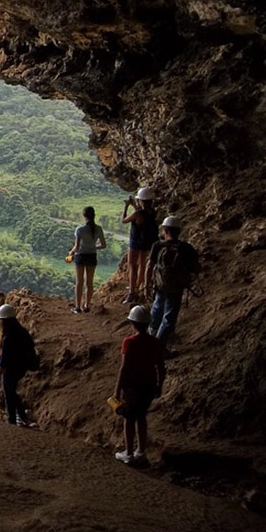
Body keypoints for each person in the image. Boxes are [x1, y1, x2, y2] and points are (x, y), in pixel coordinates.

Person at [113, 305, 165, 465]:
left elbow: (124, 368)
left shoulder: (129, 342)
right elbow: (161, 367)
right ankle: (141, 451)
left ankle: (128, 453)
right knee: (141, 417)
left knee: (129, 418)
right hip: (149, 386)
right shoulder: (155, 342)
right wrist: (159, 386)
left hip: (132, 387)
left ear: (133, 323)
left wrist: (117, 390)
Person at [145, 215, 199, 347]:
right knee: (169, 317)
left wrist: (146, 285)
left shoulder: (157, 245)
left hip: (160, 285)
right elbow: (196, 267)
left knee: (156, 310)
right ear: (179, 231)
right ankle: (159, 346)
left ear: (165, 231)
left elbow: (149, 266)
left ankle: (151, 340)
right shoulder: (186, 248)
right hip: (176, 287)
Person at [0, 304, 38, 427]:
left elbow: (5, 359)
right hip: (22, 367)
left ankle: (12, 419)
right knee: (11, 391)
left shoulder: (8, 338)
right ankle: (21, 416)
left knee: (9, 393)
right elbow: (31, 347)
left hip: (11, 369)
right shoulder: (23, 332)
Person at [66, 206, 106, 313]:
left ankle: (77, 307)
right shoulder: (98, 229)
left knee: (79, 282)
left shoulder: (80, 230)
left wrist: (71, 253)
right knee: (90, 283)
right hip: (92, 256)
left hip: (80, 257)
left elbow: (77, 247)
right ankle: (86, 306)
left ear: (84, 216)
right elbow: (103, 245)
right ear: (94, 215)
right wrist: (93, 247)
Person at [122, 187, 158, 303]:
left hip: (135, 242)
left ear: (141, 200)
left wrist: (126, 206)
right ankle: (140, 286)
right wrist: (134, 205)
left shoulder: (137, 214)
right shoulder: (152, 212)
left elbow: (124, 220)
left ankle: (132, 292)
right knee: (142, 265)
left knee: (132, 266)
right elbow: (142, 213)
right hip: (147, 242)